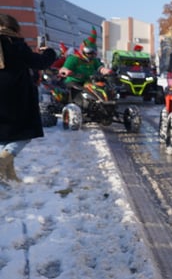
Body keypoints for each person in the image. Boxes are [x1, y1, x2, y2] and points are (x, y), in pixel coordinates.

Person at [0, 13, 57, 182]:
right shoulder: (14, 43)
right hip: (15, 96)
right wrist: (49, 52)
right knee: (24, 133)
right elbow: (39, 63)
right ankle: (2, 162)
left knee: (4, 134)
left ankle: (8, 175)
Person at [59, 27, 111, 100]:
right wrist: (66, 71)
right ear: (82, 49)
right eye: (89, 51)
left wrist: (107, 71)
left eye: (94, 51)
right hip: (74, 81)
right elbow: (64, 69)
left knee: (100, 90)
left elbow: (100, 68)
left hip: (88, 82)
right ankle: (72, 104)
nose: (91, 54)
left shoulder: (94, 60)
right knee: (79, 91)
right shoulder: (74, 58)